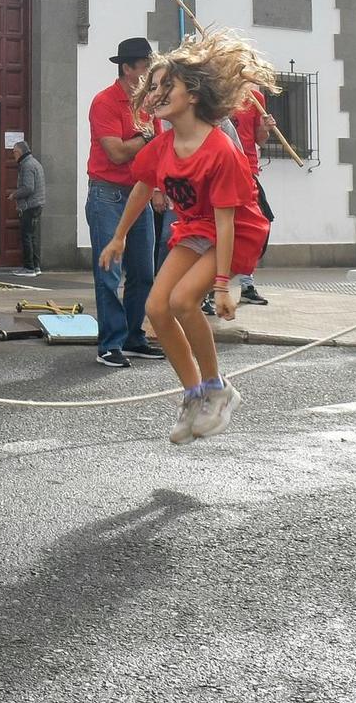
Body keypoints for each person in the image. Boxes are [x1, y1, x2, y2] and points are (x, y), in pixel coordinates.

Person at [98, 31, 278, 442]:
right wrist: (119, 236)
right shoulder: (163, 144)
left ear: (192, 95)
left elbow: (228, 221)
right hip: (196, 229)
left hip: (233, 232)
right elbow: (142, 186)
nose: (157, 93)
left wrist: (222, 288)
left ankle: (218, 388)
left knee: (182, 301)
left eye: (168, 86)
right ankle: (193, 393)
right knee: (156, 307)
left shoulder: (220, 149)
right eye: (154, 86)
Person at [85, 37, 165, 368]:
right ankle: (110, 344)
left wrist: (158, 188)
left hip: (139, 193)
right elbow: (116, 153)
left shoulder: (150, 105)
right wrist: (143, 138)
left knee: (144, 273)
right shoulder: (104, 102)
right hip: (106, 194)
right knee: (109, 273)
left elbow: (159, 150)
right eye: (145, 67)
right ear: (127, 68)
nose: (149, 74)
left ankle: (134, 337)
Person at [226, 84, 275, 308]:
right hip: (224, 166)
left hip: (249, 169)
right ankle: (208, 291)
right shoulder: (217, 91)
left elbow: (260, 140)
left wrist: (265, 128)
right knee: (219, 225)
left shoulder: (255, 97)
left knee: (259, 223)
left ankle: (246, 283)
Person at [9, 137, 46, 276]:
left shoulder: (27, 165)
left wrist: (14, 194)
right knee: (32, 236)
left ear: (19, 152)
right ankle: (36, 267)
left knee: (26, 236)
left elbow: (28, 188)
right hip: (37, 204)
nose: (13, 155)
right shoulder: (34, 162)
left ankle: (29, 268)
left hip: (30, 206)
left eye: (14, 152)